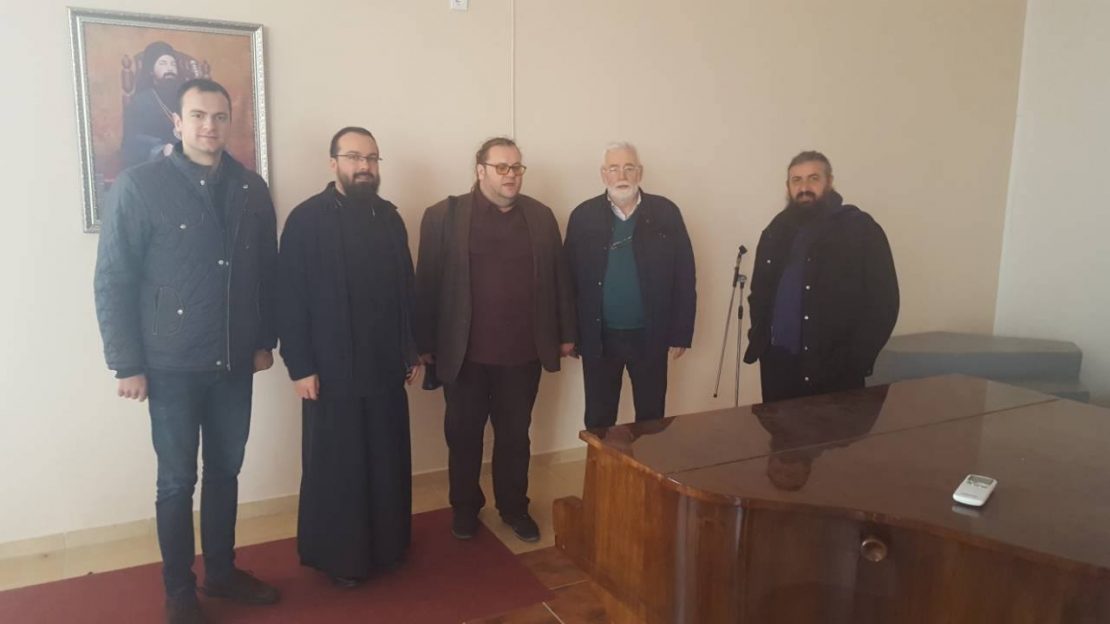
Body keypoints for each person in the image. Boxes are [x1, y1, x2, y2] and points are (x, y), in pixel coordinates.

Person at [94, 78, 280, 624]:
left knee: (226, 471)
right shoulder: (139, 186)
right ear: (176, 122)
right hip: (169, 365)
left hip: (234, 363)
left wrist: (264, 340)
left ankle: (221, 573)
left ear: (229, 122)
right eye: (197, 115)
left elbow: (267, 273)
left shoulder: (251, 189)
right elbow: (113, 279)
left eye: (219, 116)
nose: (209, 126)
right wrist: (126, 363)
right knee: (176, 482)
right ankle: (179, 590)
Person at [277, 127, 420, 587]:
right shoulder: (305, 220)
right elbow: (289, 300)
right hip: (330, 370)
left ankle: (388, 547)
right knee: (339, 467)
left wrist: (410, 350)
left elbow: (407, 290)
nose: (365, 167)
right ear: (333, 163)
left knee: (385, 460)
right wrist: (300, 366)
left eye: (372, 158)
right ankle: (342, 560)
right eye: (355, 157)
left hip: (384, 367)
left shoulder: (390, 218)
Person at [414, 137, 576, 543]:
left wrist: (566, 334)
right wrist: (423, 343)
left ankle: (514, 507)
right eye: (502, 167)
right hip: (464, 355)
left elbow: (560, 278)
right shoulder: (443, 216)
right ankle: (465, 507)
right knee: (463, 437)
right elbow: (427, 283)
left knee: (515, 438)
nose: (511, 175)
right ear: (480, 170)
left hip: (523, 354)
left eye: (517, 167)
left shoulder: (540, 217)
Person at [744, 150, 899, 403]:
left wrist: (857, 360)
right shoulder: (775, 231)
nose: (804, 187)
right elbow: (759, 294)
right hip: (779, 368)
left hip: (837, 370)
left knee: (836, 430)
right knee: (779, 430)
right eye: (796, 180)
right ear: (788, 186)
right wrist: (760, 341)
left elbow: (884, 302)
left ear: (829, 181)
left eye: (813, 178)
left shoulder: (860, 229)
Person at [564, 142, 696, 428]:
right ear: (603, 174)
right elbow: (567, 280)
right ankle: (602, 459)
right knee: (599, 418)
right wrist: (569, 333)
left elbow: (685, 275)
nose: (621, 175)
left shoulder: (666, 213)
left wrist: (681, 332)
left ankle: (648, 460)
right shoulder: (583, 216)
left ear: (640, 172)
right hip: (599, 337)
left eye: (629, 168)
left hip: (651, 335)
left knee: (651, 416)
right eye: (614, 168)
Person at [122, 41, 184, 168]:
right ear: (151, 70)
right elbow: (132, 140)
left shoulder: (187, 98)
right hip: (157, 163)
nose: (170, 68)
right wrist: (161, 149)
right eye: (163, 63)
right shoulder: (140, 102)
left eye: (173, 64)